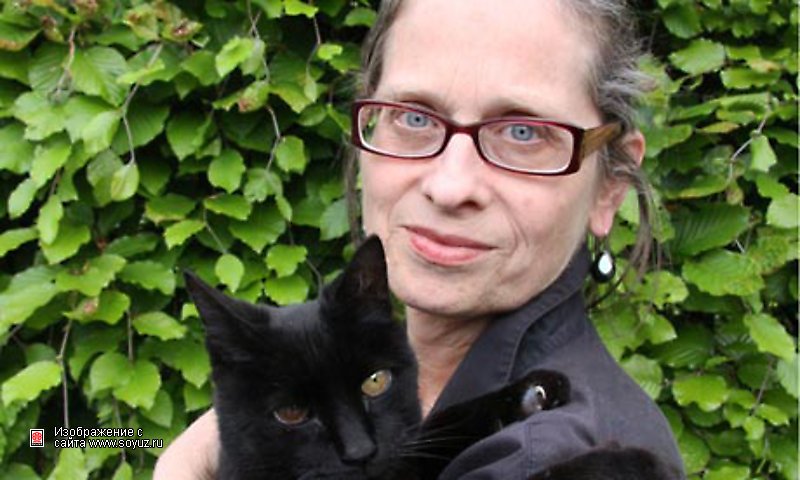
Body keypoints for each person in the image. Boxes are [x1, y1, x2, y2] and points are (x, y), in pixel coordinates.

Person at [155, 0, 685, 478]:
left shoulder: (537, 456)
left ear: (609, 188)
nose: (449, 187)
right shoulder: (372, 376)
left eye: (523, 132)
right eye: (412, 116)